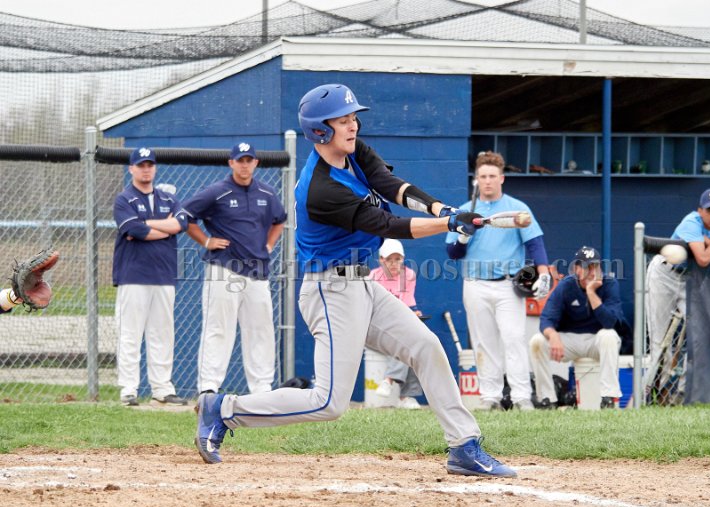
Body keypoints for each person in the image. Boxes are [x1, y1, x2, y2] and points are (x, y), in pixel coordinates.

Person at [194, 83, 516, 478]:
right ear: (320, 130)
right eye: (343, 120)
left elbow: (391, 186)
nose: (353, 126)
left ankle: (464, 445)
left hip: (363, 285)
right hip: (330, 290)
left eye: (353, 118)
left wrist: (440, 208)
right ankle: (222, 409)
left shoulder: (354, 152)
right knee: (328, 402)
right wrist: (449, 223)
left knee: (426, 346)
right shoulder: (321, 189)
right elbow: (387, 224)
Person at [444, 151, 551, 411]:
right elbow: (453, 253)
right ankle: (490, 397)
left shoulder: (517, 209)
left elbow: (534, 243)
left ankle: (521, 397)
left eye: (492, 176)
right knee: (483, 342)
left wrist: (544, 273)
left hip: (508, 285)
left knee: (513, 339)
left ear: (501, 178)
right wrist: (463, 236)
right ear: (476, 179)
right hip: (475, 284)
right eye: (483, 176)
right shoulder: (464, 211)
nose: (488, 181)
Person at [182, 142, 287, 395]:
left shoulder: (267, 193)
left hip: (257, 270)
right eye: (240, 160)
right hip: (224, 268)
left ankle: (262, 388)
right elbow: (185, 215)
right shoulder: (217, 191)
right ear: (231, 163)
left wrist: (269, 245)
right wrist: (206, 241)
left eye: (249, 160)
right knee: (218, 328)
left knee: (261, 330)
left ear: (256, 163)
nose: (244, 165)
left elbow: (280, 220)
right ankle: (208, 387)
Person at [112, 147, 189, 407]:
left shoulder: (169, 198)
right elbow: (133, 229)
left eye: (149, 165)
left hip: (164, 274)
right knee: (130, 334)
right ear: (131, 169)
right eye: (141, 165)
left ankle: (162, 389)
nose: (146, 169)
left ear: (154, 168)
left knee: (162, 334)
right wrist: (163, 227)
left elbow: (180, 224)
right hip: (133, 275)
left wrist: (147, 223)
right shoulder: (124, 199)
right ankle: (128, 389)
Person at [645, 188, 710, 362]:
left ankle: (686, 379)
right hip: (664, 274)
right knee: (659, 336)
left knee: (702, 330)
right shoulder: (691, 221)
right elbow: (703, 259)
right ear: (700, 210)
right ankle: (658, 378)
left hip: (690, 280)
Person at [528, 246, 624, 409]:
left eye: (595, 267)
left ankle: (608, 397)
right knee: (537, 341)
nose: (592, 273)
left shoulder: (609, 284)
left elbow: (609, 322)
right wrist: (553, 335)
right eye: (587, 267)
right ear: (577, 269)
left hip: (596, 342)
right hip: (569, 342)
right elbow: (546, 319)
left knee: (608, 336)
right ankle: (547, 399)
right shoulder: (566, 285)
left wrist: (591, 293)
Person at [370, 238, 424, 409]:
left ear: (403, 259)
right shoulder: (372, 277)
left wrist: (414, 313)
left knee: (413, 344)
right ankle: (405, 396)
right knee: (406, 343)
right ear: (381, 260)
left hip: (399, 326)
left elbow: (407, 302)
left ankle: (389, 381)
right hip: (378, 329)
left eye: (397, 259)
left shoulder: (409, 275)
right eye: (389, 259)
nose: (394, 264)